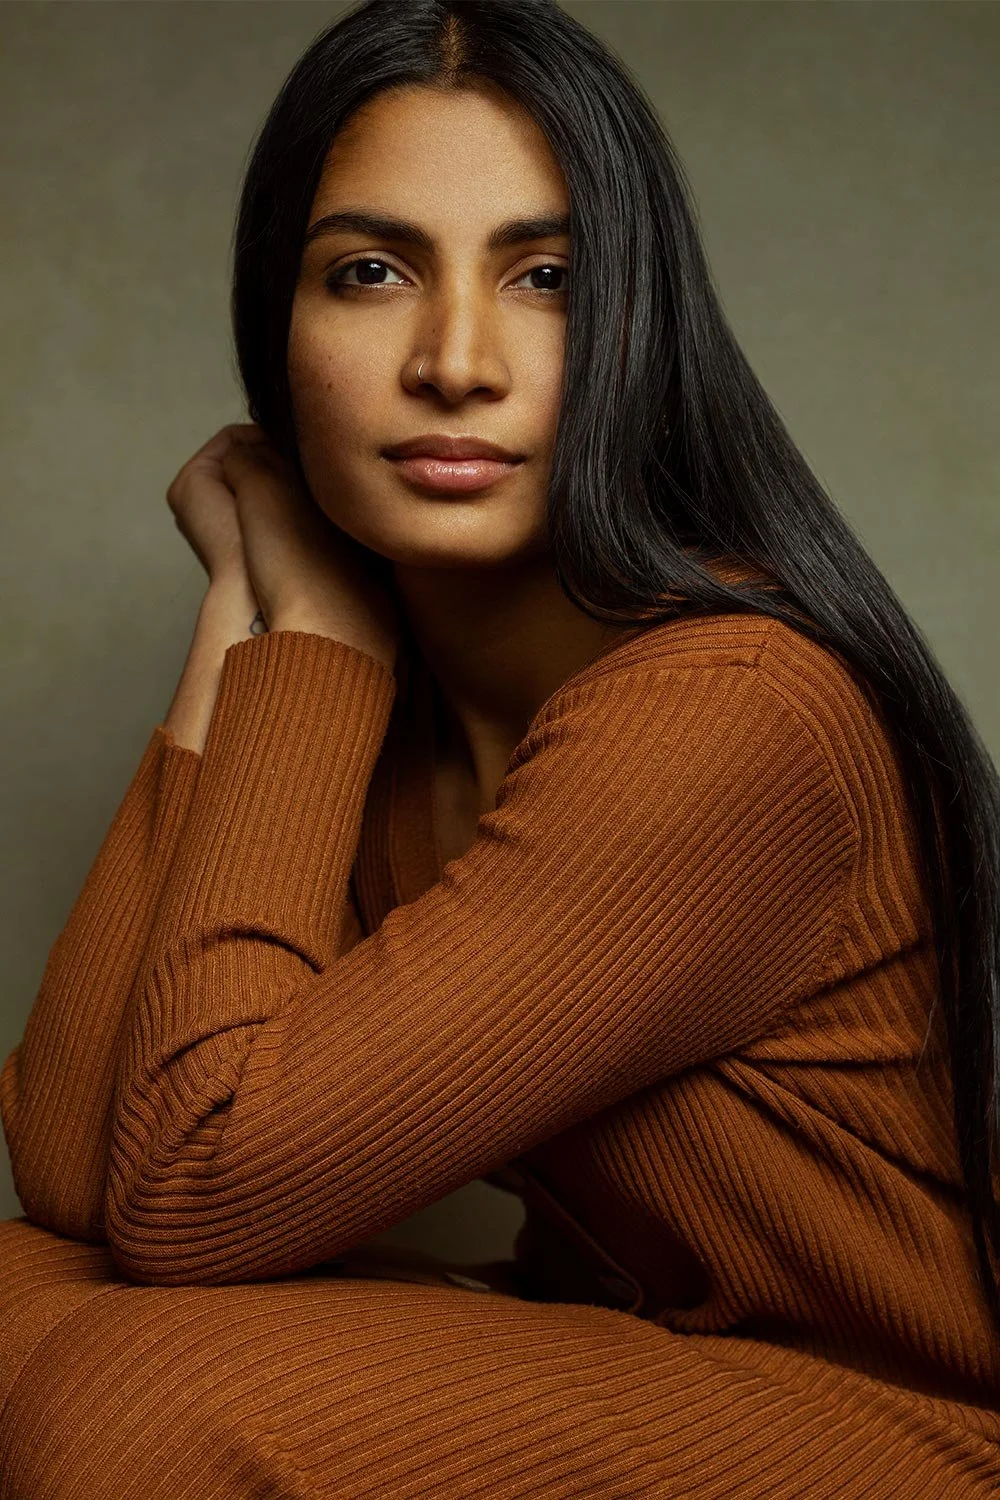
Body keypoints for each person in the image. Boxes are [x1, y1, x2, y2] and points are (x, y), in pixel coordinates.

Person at [2, 0, 999, 1494]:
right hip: (652, 1360)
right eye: (371, 271)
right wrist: (251, 613)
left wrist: (320, 637)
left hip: (902, 1423)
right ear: (282, 336)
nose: (455, 359)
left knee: (138, 1401)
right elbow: (84, 1170)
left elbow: (192, 1189)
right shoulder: (382, 719)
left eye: (544, 277)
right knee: (19, 1301)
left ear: (637, 329)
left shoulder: (728, 714)